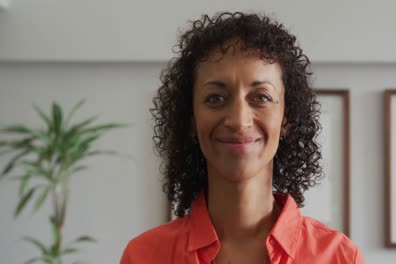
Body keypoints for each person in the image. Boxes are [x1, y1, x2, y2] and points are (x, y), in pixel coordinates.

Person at [121, 11, 364, 264]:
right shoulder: (144, 256)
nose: (238, 120)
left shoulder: (340, 257)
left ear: (286, 119)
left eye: (261, 97)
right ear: (191, 119)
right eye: (215, 98)